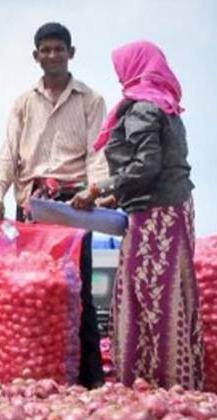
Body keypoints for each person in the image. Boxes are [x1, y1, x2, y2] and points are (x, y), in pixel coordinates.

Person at [70, 40, 202, 390]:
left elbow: (146, 166)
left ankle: (150, 380)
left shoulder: (144, 107)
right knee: (171, 293)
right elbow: (155, 168)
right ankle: (177, 377)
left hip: (155, 216)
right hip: (174, 209)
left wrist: (98, 189)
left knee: (148, 295)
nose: (118, 77)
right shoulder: (168, 105)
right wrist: (118, 194)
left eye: (121, 69)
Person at [0, 22, 109, 389]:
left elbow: (97, 154)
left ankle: (89, 383)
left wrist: (95, 190)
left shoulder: (91, 100)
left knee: (78, 292)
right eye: (46, 49)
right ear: (36, 56)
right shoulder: (24, 104)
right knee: (30, 293)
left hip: (73, 206)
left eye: (59, 49)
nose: (53, 55)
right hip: (33, 206)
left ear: (72, 53)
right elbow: (8, 155)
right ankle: (31, 379)